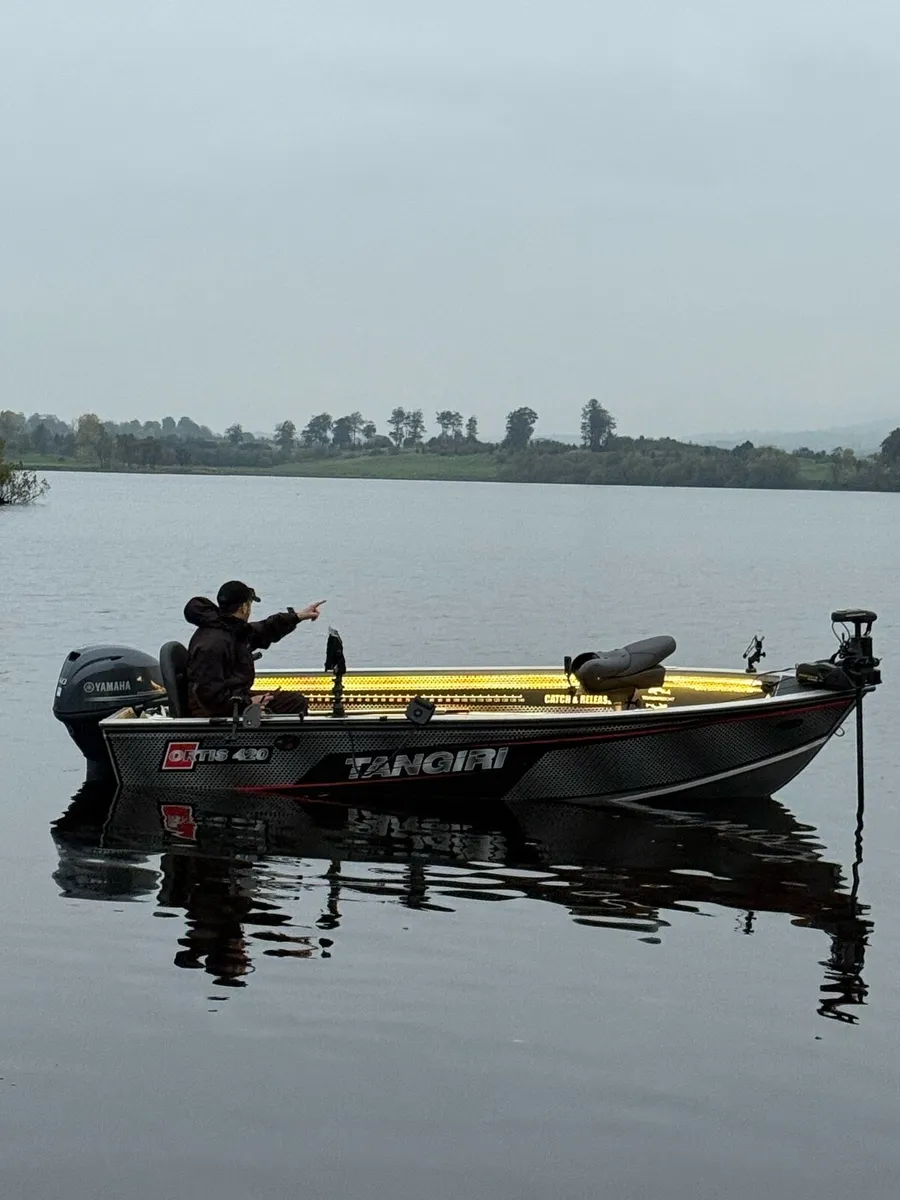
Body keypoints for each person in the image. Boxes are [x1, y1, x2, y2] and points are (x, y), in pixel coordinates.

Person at [184, 580, 324, 717]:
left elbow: (264, 630)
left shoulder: (229, 629)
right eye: (250, 605)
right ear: (244, 607)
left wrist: (297, 617)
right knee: (295, 703)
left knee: (290, 700)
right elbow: (209, 696)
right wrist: (249, 703)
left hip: (231, 699)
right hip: (213, 709)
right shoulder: (213, 644)